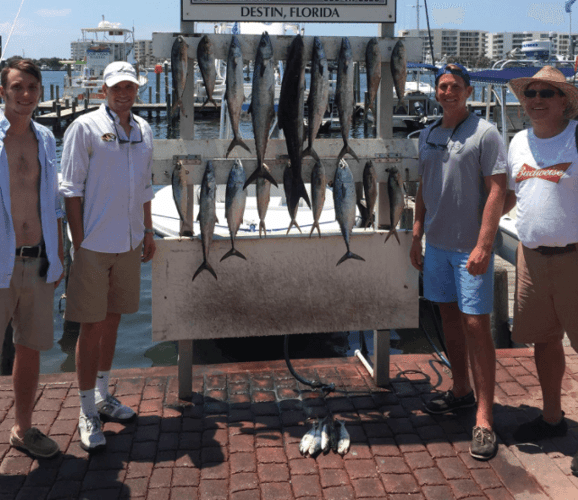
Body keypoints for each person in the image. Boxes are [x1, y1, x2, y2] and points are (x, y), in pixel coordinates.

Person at [410, 64, 507, 460]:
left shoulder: (486, 133)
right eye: (442, 86)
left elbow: (498, 189)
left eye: (454, 87)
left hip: (470, 249)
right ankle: (460, 390)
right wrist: (416, 234)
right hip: (436, 246)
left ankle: (485, 418)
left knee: (475, 325)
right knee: (449, 318)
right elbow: (422, 186)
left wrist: (484, 245)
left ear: (468, 91)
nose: (447, 92)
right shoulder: (429, 133)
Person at [60, 61, 156, 452]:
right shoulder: (83, 128)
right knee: (90, 327)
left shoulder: (145, 129)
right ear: (104, 89)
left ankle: (103, 395)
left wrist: (148, 231)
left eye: (130, 87)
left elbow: (146, 186)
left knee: (113, 321)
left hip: (130, 242)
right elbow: (70, 189)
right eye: (117, 87)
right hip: (94, 246)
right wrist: (79, 243)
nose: (124, 93)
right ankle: (86, 410)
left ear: (137, 90)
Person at [504, 66, 578, 472]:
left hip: (575, 257)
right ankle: (552, 418)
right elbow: (514, 196)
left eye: (546, 93)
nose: (535, 99)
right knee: (545, 342)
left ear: (563, 100)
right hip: (530, 257)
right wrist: (479, 233)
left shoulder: (576, 136)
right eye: (530, 92)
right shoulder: (517, 142)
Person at [0, 59, 64, 458]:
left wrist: (59, 257)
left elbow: (54, 204)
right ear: (2, 92)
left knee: (30, 348)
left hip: (39, 259)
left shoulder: (47, 139)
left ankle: (23, 429)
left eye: (33, 88)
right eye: (17, 87)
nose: (26, 95)